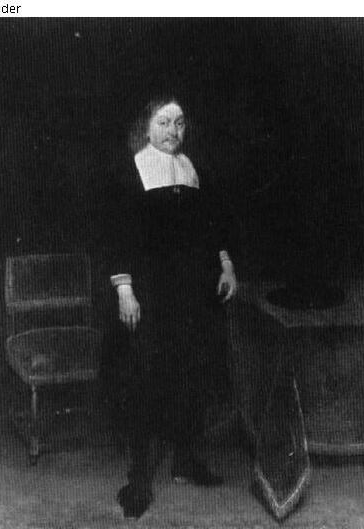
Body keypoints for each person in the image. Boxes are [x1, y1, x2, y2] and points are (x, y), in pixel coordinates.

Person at [105, 95, 238, 518]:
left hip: (193, 290)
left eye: (179, 123)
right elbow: (118, 234)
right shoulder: (134, 168)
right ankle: (139, 480)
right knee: (148, 378)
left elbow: (211, 226)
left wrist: (226, 265)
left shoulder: (189, 167)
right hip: (151, 292)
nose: (173, 131)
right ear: (146, 126)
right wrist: (124, 290)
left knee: (191, 374)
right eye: (164, 122)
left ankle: (185, 461)